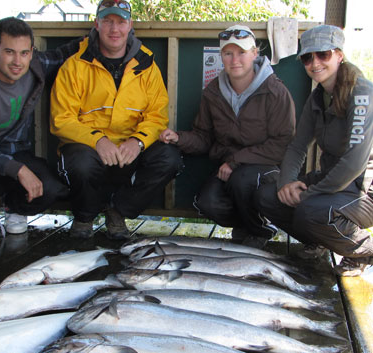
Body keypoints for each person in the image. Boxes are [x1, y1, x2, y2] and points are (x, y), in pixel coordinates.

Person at [50, 0, 183, 240]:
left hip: (127, 154)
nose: (114, 29)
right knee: (79, 163)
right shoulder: (74, 65)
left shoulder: (147, 66)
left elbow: (157, 115)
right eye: (108, 21)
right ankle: (84, 217)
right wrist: (98, 140)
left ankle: (117, 211)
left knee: (169, 158)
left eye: (121, 22)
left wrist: (138, 141)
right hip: (89, 153)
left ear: (130, 25)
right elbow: (62, 120)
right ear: (96, 23)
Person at [160, 25, 296, 249]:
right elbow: (204, 137)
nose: (235, 60)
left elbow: (283, 144)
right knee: (207, 203)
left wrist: (236, 161)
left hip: (264, 169)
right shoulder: (212, 92)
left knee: (243, 179)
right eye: (228, 53)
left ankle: (261, 230)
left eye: (242, 52)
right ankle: (247, 225)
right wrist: (178, 138)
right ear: (221, 56)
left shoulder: (275, 91)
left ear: (255, 53)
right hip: (228, 170)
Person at [256, 24, 373, 277]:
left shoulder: (361, 92)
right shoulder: (318, 96)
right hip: (332, 182)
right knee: (268, 196)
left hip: (364, 189)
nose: (315, 63)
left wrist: (311, 194)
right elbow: (298, 145)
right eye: (308, 57)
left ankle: (363, 251)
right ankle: (320, 241)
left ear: (339, 55)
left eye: (323, 54)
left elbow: (354, 164)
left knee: (312, 209)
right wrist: (286, 183)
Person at [0, 17, 80, 243]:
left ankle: (14, 208)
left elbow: (66, 52)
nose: (17, 61)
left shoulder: (36, 66)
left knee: (51, 187)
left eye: (24, 53)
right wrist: (19, 169)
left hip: (16, 153)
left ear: (31, 52)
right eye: (9, 52)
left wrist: (106, 31)